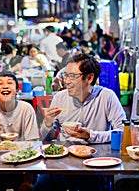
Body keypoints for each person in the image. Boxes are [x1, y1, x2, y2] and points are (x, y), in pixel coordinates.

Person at [33, 53, 126, 191]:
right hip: (63, 160)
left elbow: (123, 132)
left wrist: (91, 136)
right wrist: (47, 123)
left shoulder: (107, 97)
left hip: (96, 160)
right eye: (66, 75)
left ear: (89, 78)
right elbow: (48, 138)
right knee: (41, 186)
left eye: (73, 76)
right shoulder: (60, 97)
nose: (67, 81)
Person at [0, 70, 39, 191]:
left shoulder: (26, 108)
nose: (5, 86)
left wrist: (27, 180)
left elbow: (33, 145)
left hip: (23, 164)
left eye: (10, 83)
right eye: (0, 83)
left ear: (17, 90)